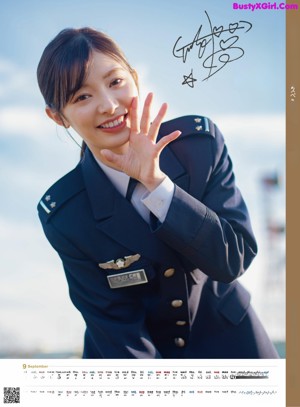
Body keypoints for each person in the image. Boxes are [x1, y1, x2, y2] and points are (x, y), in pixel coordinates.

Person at [37, 27, 278, 359]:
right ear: (57, 116)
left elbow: (232, 259)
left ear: (134, 77)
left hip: (232, 347)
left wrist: (157, 183)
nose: (108, 105)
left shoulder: (199, 150)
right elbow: (117, 332)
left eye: (115, 82)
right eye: (81, 97)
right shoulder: (66, 214)